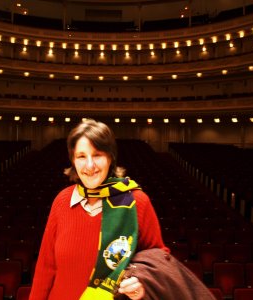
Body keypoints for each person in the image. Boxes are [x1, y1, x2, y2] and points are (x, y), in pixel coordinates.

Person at [29, 119, 167, 300]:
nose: (89, 166)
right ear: (73, 160)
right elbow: (45, 268)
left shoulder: (136, 202)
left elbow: (159, 259)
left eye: (97, 155)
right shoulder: (62, 200)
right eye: (81, 156)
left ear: (111, 157)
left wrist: (142, 282)